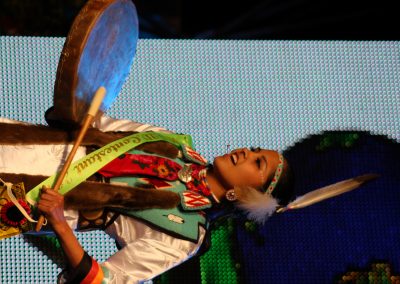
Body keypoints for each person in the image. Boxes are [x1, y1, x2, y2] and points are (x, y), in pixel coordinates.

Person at [0, 115, 294, 283]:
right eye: (255, 149)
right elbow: (91, 120)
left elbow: (105, 281)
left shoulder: (185, 234)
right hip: (16, 138)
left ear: (248, 196)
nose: (246, 152)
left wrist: (61, 224)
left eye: (258, 163)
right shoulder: (172, 142)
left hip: (21, 199)